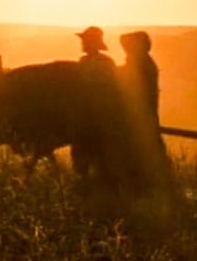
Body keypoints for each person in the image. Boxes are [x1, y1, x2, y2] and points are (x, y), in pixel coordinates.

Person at [118, 30, 171, 193]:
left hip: (141, 113)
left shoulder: (140, 63)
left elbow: (128, 80)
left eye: (128, 47)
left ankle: (147, 184)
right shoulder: (144, 62)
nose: (125, 50)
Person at [71, 26, 117, 177]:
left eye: (85, 41)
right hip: (87, 115)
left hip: (98, 116)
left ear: (91, 43)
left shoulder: (104, 63)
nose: (82, 44)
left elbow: (107, 87)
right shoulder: (88, 61)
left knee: (96, 155)